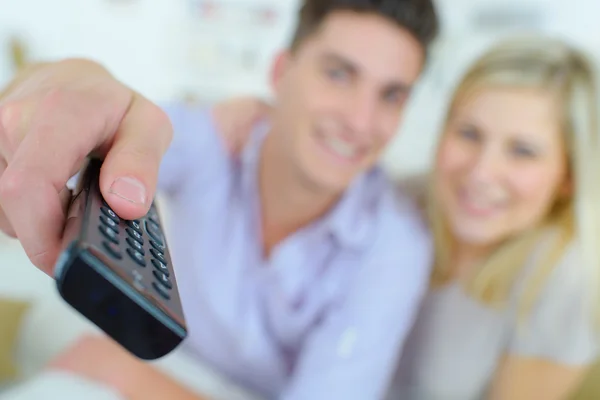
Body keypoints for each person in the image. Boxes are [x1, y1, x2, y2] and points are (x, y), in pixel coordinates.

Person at [0, 1, 439, 399]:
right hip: (161, 356)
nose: (360, 122)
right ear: (280, 73)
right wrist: (63, 82)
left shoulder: (396, 245)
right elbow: (114, 124)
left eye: (391, 95)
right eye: (339, 74)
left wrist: (121, 373)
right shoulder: (215, 138)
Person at [216, 35, 600, 399]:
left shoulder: (565, 283)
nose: (481, 172)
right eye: (469, 133)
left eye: (523, 151)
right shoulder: (402, 202)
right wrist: (265, 120)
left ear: (568, 177)